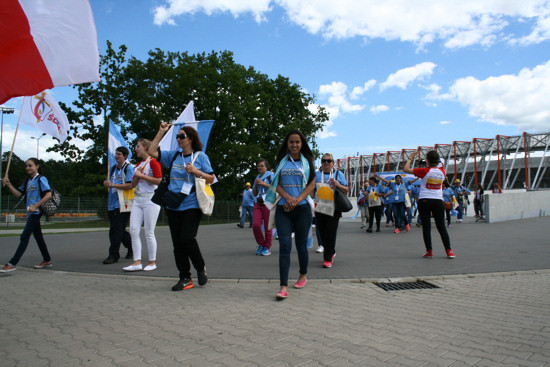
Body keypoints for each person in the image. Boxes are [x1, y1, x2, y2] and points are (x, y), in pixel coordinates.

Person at [149, 123, 215, 291]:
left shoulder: (200, 157)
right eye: (177, 136)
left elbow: (211, 179)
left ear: (191, 139)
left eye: (182, 136)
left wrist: (196, 171)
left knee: (187, 238)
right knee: (177, 244)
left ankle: (200, 268)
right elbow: (151, 152)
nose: (178, 139)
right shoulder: (173, 156)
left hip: (192, 204)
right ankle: (185, 277)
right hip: (173, 205)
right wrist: (161, 131)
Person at [264, 130, 316, 300]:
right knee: (285, 246)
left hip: (302, 209)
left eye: (297, 142)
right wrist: (287, 198)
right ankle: (283, 286)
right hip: (283, 209)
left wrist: (298, 199)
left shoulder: (307, 161)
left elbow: (312, 184)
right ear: (287, 144)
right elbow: (275, 183)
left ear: (302, 144)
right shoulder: (281, 161)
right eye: (291, 142)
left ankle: (302, 275)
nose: (294, 145)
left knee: (301, 246)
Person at [0, 158, 53, 272]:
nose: (28, 168)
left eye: (30, 165)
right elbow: (18, 194)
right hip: (30, 212)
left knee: (25, 236)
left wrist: (36, 205)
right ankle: (47, 260)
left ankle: (12, 263)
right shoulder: (28, 181)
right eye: (26, 166)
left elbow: (48, 195)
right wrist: (9, 185)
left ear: (37, 166)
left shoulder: (41, 179)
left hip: (36, 212)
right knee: (38, 237)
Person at [404, 150, 455, 259]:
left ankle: (429, 251)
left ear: (427, 160)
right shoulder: (442, 172)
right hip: (438, 201)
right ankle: (449, 251)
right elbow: (440, 164)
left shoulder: (425, 171)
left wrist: (410, 158)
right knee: (441, 227)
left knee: (426, 227)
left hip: (425, 200)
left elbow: (406, 169)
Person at [123, 139, 162, 272]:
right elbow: (133, 185)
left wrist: (142, 176)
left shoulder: (153, 162)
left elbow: (158, 180)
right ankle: (137, 262)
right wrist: (137, 177)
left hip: (151, 199)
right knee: (134, 230)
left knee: (149, 232)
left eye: (138, 146)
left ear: (145, 147)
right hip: (138, 200)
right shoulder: (138, 164)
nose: (136, 149)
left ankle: (152, 262)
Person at [314, 153, 348, 268]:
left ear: (333, 163)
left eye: (329, 161)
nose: (326, 163)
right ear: (321, 163)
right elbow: (311, 189)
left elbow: (346, 189)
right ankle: (331, 251)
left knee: (330, 232)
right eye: (324, 161)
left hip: (334, 208)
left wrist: (338, 185)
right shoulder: (317, 174)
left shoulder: (339, 174)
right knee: (322, 233)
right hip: (320, 207)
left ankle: (327, 259)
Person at [102, 147, 135, 264]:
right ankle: (132, 247)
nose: (116, 156)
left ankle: (113, 255)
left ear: (125, 156)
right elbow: (108, 183)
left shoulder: (128, 168)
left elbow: (131, 185)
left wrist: (114, 185)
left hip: (123, 203)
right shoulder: (112, 169)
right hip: (112, 202)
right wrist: (106, 183)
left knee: (115, 230)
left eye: (119, 154)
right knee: (119, 229)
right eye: (116, 154)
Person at [252, 159, 274, 256]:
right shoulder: (257, 177)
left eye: (262, 166)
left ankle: (267, 247)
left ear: (266, 167)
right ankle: (261, 244)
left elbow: (275, 187)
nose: (260, 167)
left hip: (268, 203)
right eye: (258, 166)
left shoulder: (270, 175)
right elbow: (254, 193)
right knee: (256, 225)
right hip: (258, 203)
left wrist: (264, 184)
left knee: (267, 227)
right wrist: (256, 186)